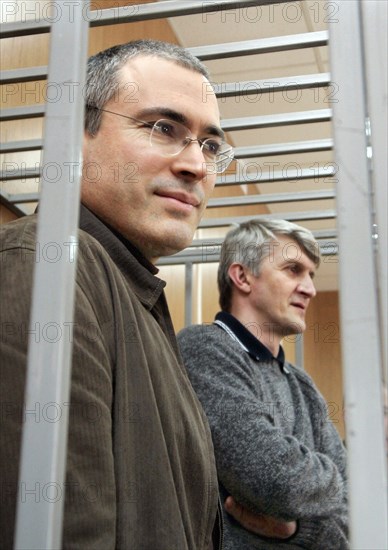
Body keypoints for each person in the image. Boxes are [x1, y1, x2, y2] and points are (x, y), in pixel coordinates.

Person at [0, 39, 263, 549]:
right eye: (163, 128)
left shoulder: (132, 292)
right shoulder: (47, 263)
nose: (196, 166)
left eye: (210, 145)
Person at [178, 218, 349, 549]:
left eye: (311, 275)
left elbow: (353, 500)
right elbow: (276, 479)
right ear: (242, 276)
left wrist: (298, 531)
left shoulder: (302, 385)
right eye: (293, 270)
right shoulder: (204, 349)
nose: (310, 288)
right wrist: (333, 484)